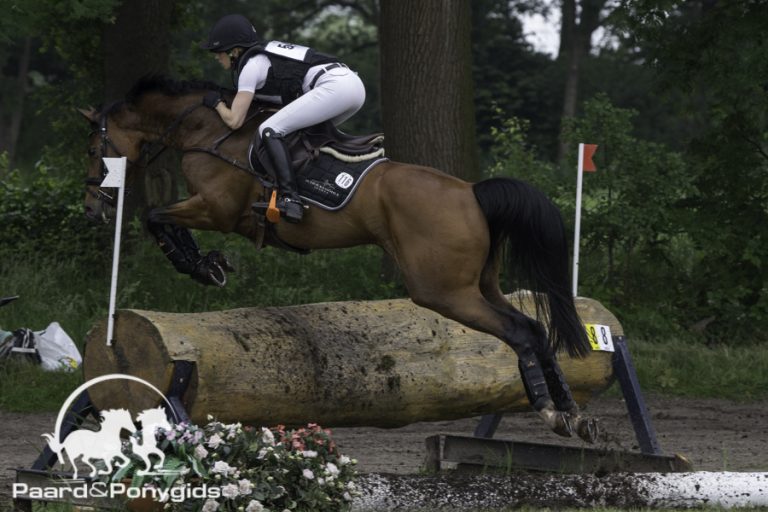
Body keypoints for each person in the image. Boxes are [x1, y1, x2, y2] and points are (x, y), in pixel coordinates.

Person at [200, 14, 366, 223]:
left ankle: (290, 198)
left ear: (234, 51)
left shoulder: (251, 66)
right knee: (300, 135)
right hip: (352, 87)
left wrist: (217, 104)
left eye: (218, 52)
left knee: (269, 131)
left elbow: (235, 121)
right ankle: (319, 188)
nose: (216, 57)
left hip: (334, 87)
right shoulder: (263, 56)